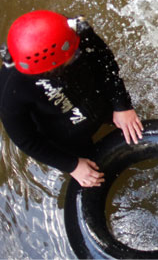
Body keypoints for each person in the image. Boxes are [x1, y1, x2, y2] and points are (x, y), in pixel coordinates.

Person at [0, 10, 143, 187]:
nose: (78, 52)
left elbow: (106, 63)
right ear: (52, 68)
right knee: (97, 176)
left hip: (98, 102)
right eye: (74, 56)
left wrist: (122, 105)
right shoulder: (12, 88)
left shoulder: (71, 34)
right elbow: (26, 140)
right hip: (67, 135)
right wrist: (72, 165)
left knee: (135, 125)